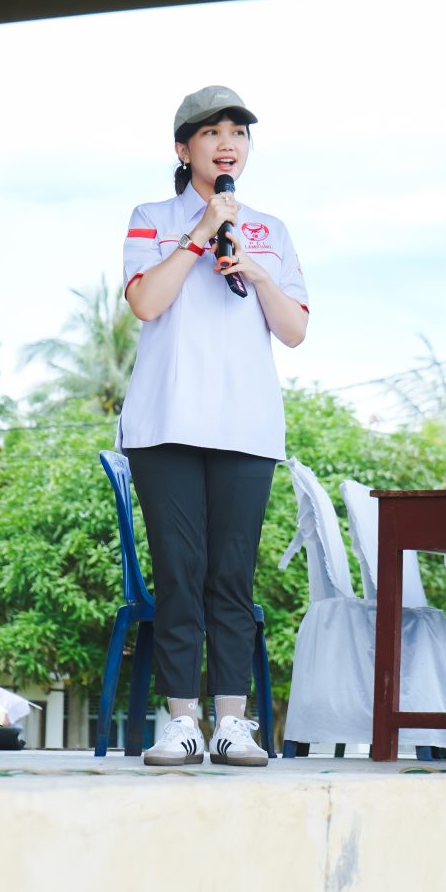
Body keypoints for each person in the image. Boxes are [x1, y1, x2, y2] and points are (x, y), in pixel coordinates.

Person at [118, 86, 308, 767]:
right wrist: (199, 233)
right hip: (164, 422)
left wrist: (257, 273)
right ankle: (180, 723)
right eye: (212, 133)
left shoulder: (271, 231)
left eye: (239, 132)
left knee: (231, 577)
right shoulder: (151, 218)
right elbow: (147, 303)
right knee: (179, 573)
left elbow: (294, 331)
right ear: (183, 148)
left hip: (245, 424)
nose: (229, 144)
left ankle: (232, 723)